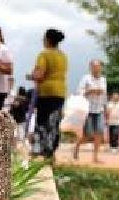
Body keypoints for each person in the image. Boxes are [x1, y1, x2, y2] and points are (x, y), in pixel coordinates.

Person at [31, 29, 68, 158]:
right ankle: (51, 150)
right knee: (54, 122)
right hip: (60, 92)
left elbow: (39, 75)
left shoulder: (44, 54)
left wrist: (32, 75)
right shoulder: (63, 56)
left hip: (46, 92)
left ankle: (40, 148)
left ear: (47, 40)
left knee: (42, 121)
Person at [74, 60, 107, 163]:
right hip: (87, 109)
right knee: (88, 135)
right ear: (91, 67)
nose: (97, 68)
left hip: (99, 109)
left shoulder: (103, 79)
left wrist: (105, 108)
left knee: (99, 132)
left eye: (98, 66)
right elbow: (79, 92)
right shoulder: (86, 78)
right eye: (94, 66)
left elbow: (104, 94)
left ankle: (95, 157)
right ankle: (76, 147)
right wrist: (90, 91)